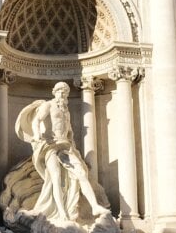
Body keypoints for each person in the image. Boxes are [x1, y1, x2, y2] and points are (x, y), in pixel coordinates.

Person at [15, 82, 109, 224]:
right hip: (51, 146)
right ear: (54, 92)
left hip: (65, 146)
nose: (62, 93)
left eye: (65, 91)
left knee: (82, 174)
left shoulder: (66, 111)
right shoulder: (49, 105)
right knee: (56, 178)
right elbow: (37, 120)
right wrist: (36, 135)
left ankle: (95, 206)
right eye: (60, 91)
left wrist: (74, 149)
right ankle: (61, 213)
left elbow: (70, 132)